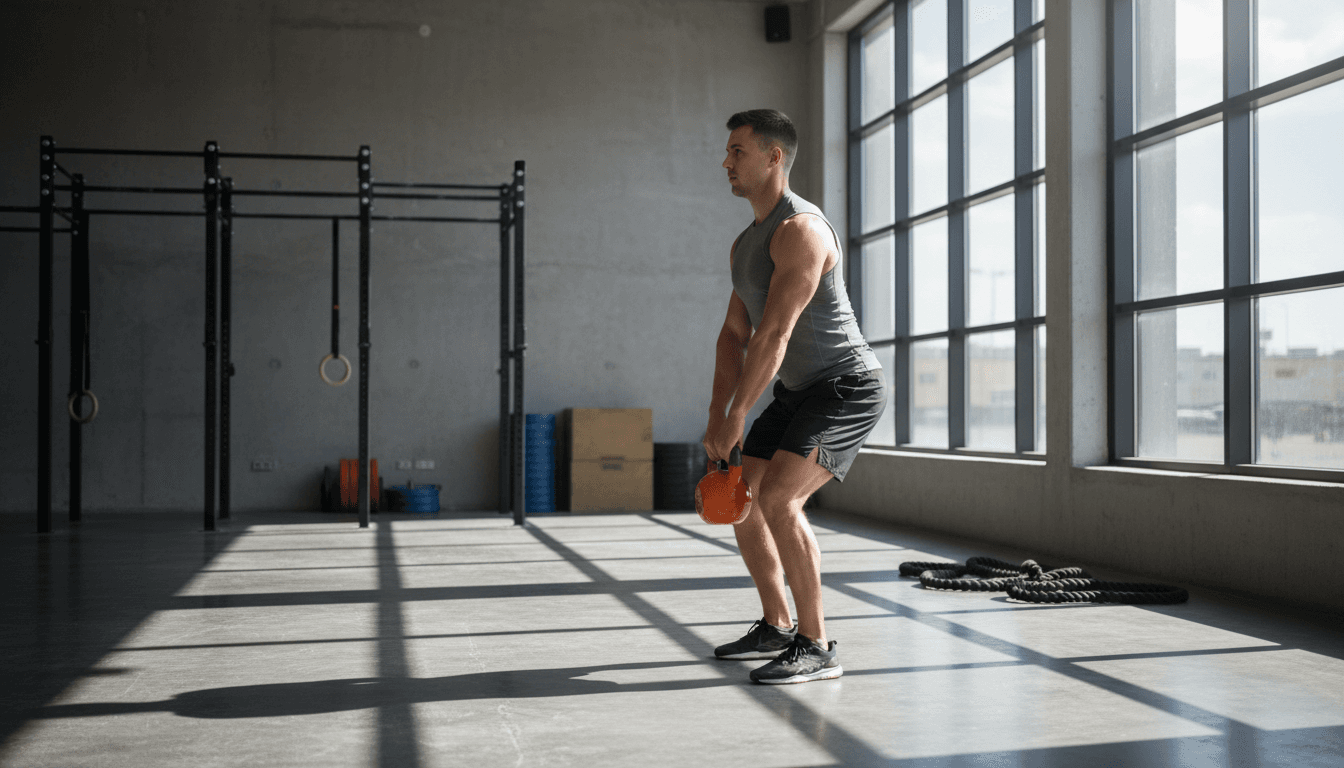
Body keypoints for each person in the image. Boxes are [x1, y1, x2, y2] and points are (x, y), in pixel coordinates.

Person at [704, 109, 888, 685]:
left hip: (846, 385)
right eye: (728, 152)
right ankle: (777, 624)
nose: (727, 161)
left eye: (738, 151)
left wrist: (739, 414)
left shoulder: (802, 230)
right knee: (743, 497)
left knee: (780, 499)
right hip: (797, 389)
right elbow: (734, 334)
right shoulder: (744, 244)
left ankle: (817, 644)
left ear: (773, 157)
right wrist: (717, 416)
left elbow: (775, 333)